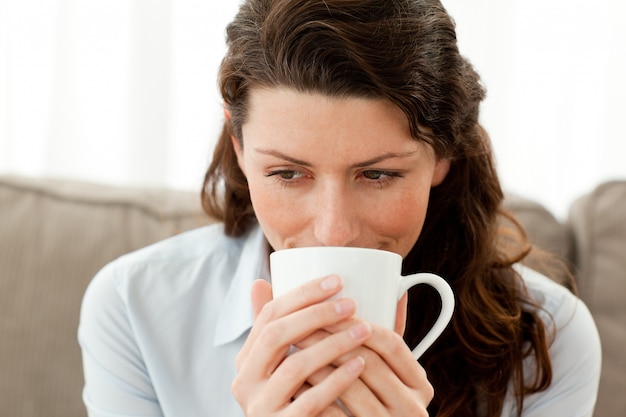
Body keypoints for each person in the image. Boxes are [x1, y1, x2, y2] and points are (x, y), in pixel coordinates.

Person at [78, 0, 601, 416]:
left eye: (378, 174)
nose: (333, 230)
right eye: (287, 173)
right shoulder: (134, 309)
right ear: (239, 149)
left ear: (442, 155)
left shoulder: (548, 339)